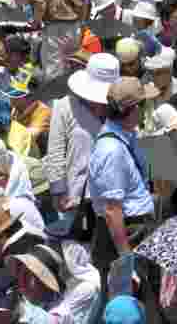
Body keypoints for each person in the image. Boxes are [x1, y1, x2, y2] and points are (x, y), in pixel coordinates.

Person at [86, 77, 156, 281]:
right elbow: (112, 210)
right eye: (144, 104)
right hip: (126, 235)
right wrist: (126, 260)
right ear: (134, 109)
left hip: (134, 230)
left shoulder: (126, 137)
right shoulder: (112, 150)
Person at [46, 55, 116, 225]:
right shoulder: (64, 106)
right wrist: (58, 190)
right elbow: (55, 152)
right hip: (74, 197)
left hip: (111, 196)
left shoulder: (119, 108)